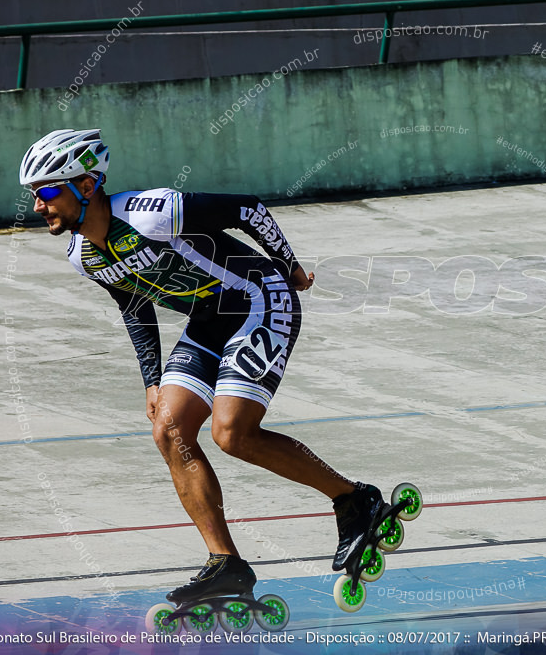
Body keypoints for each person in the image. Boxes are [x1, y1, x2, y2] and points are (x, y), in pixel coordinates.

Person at [20, 128, 391, 606]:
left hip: (259, 297)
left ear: (86, 187)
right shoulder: (83, 255)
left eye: (48, 192)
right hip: (210, 318)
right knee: (168, 429)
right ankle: (226, 564)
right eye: (34, 195)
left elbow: (249, 209)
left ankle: (354, 500)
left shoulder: (153, 213)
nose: (38, 206)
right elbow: (133, 305)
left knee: (232, 433)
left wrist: (291, 266)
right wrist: (152, 380)